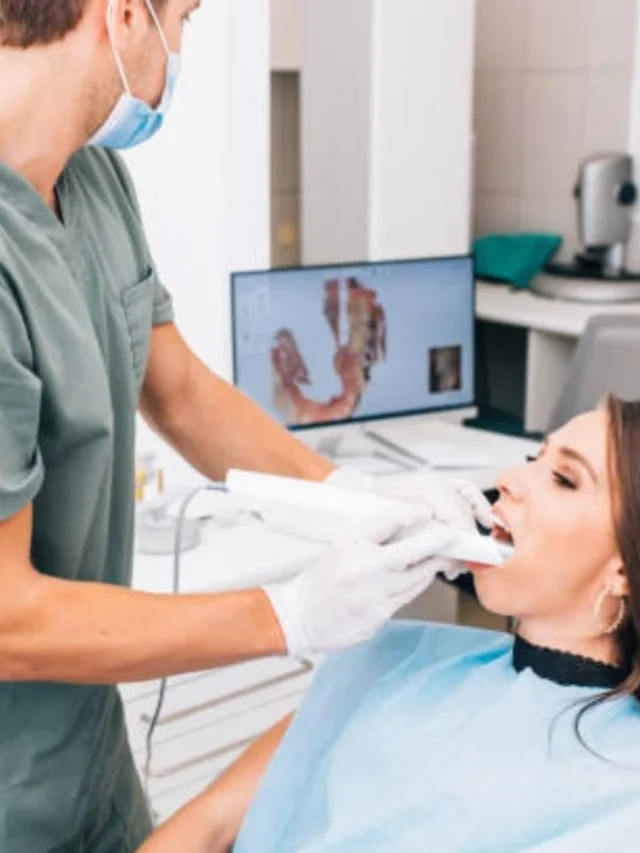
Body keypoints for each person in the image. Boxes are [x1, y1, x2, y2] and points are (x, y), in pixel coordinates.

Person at [0, 1, 493, 849]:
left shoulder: (94, 179)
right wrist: (289, 613)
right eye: (183, 17)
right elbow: (8, 619)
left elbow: (181, 391)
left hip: (87, 757)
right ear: (124, 14)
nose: (181, 48)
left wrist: (354, 494)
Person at [140, 395, 640, 852]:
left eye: (564, 479)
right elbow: (209, 824)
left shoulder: (621, 796)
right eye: (538, 458)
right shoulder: (393, 659)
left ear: (624, 572)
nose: (511, 476)